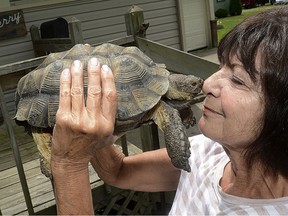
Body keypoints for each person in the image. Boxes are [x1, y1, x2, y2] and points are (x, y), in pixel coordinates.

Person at [51, 7, 288, 215]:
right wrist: (91, 125)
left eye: (237, 79)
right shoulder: (207, 152)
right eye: (221, 66)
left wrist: (68, 164)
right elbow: (118, 171)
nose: (208, 84)